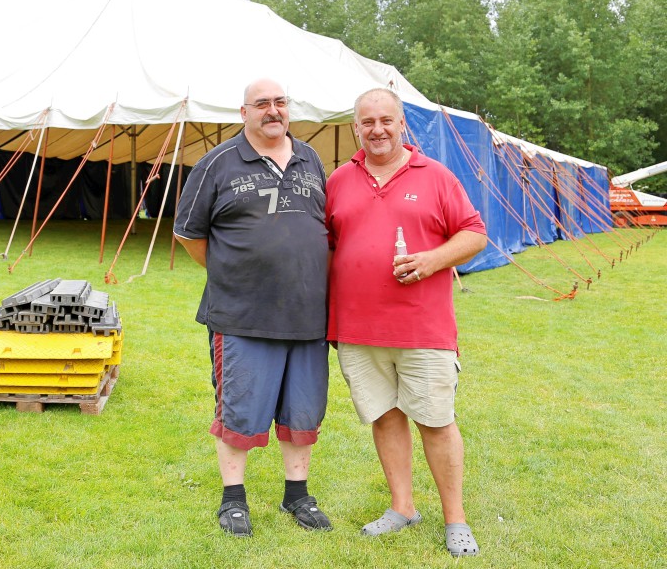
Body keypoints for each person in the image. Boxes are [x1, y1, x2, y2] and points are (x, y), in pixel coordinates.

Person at [325, 88, 487, 557]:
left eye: (386, 120)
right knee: (384, 416)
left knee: (436, 421)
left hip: (422, 328)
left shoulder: (435, 176)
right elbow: (331, 242)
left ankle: (455, 519)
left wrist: (434, 259)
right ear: (356, 127)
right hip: (357, 330)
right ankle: (402, 507)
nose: (377, 129)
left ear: (402, 125)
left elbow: (474, 232)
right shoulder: (339, 179)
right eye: (367, 122)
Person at [174, 78, 331, 537]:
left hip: (307, 313)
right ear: (243, 112)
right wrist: (235, 271)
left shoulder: (311, 158)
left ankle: (297, 496)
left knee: (303, 412)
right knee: (238, 411)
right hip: (241, 316)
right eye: (262, 103)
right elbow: (188, 233)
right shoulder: (217, 164)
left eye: (280, 102)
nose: (273, 110)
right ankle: (233, 501)